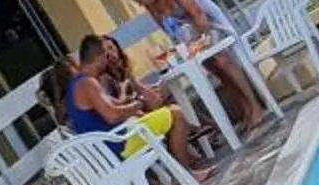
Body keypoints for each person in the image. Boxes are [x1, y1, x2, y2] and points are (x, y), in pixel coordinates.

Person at [126, 0, 266, 134]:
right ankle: (245, 108)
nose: (140, 4)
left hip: (210, 24)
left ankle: (255, 106)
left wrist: (203, 41)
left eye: (139, 0)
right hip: (191, 33)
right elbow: (167, 28)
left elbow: (198, 14)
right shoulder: (151, 4)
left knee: (222, 61)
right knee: (214, 69)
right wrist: (183, 47)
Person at [49, 33, 207, 172]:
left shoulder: (76, 85)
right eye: (106, 56)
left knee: (167, 111)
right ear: (99, 56)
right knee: (176, 114)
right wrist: (137, 104)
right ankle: (189, 175)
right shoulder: (88, 83)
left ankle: (186, 171)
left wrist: (133, 101)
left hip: (111, 143)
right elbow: (112, 116)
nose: (108, 60)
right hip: (119, 145)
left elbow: (115, 105)